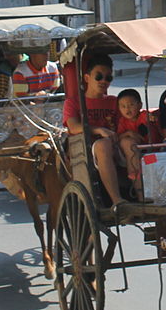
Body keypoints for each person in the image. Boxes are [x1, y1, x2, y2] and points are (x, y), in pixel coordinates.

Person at [63, 53, 125, 205]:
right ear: (87, 78)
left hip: (114, 146)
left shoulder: (114, 102)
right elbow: (73, 126)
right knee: (103, 145)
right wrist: (98, 130)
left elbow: (123, 125)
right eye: (99, 76)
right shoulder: (73, 103)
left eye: (108, 78)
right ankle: (117, 201)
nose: (103, 81)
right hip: (86, 150)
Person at [115, 88, 152, 181]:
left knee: (151, 165)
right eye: (123, 106)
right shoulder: (122, 122)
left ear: (140, 105)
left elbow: (148, 119)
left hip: (150, 152)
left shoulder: (144, 115)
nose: (127, 109)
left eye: (131, 105)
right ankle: (135, 175)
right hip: (135, 154)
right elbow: (118, 137)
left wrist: (152, 119)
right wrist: (128, 133)